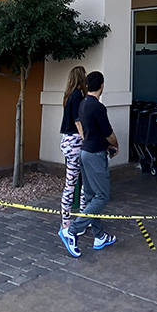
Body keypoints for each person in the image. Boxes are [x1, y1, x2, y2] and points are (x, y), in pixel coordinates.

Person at [59, 71, 118, 258]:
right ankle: (72, 231)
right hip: (94, 154)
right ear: (102, 85)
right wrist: (115, 144)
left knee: (91, 196)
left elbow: (81, 126)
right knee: (102, 196)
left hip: (84, 151)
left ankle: (99, 236)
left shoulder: (83, 103)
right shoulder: (97, 107)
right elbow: (108, 133)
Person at [58, 65, 86, 233]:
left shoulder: (68, 96)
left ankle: (66, 221)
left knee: (71, 183)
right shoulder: (77, 96)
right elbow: (78, 121)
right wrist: (86, 139)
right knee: (81, 183)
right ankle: (80, 221)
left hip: (67, 141)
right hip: (76, 142)